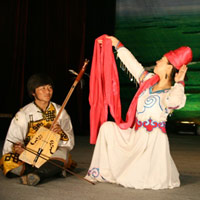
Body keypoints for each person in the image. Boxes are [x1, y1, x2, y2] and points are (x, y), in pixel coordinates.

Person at [85, 35, 192, 189]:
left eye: (161, 60)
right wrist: (117, 44)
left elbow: (174, 102)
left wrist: (180, 82)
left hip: (152, 142)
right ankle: (103, 171)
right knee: (107, 128)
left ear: (169, 67)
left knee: (135, 179)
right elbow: (133, 65)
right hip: (136, 135)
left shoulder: (171, 92)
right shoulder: (148, 81)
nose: (157, 61)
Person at [0, 73, 76, 186]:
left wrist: (61, 133)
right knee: (7, 161)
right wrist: (18, 148)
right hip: (29, 153)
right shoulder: (23, 114)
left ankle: (38, 175)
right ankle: (53, 170)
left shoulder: (60, 112)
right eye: (43, 88)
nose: (48, 91)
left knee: (63, 154)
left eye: (49, 88)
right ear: (33, 92)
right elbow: (13, 140)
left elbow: (69, 143)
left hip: (51, 153)